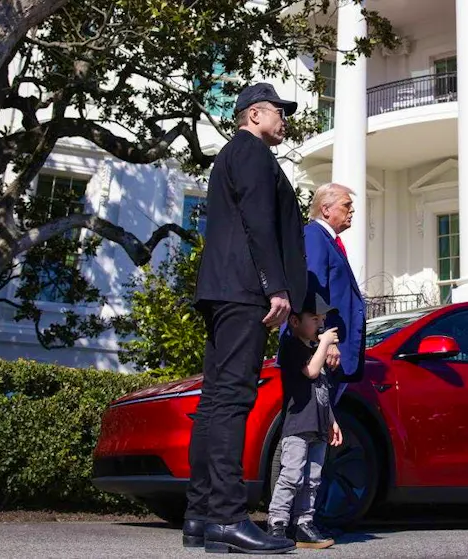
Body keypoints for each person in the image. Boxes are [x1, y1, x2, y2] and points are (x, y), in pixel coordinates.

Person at [182, 82, 308, 554]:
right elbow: (258, 220)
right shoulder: (253, 152)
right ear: (254, 114)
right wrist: (275, 285)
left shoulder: (229, 155)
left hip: (223, 290)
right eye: (279, 111)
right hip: (243, 290)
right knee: (232, 400)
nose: (284, 120)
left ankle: (201, 516)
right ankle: (227, 518)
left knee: (216, 400)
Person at [266, 290, 343, 549]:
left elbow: (322, 390)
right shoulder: (291, 346)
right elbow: (310, 372)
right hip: (298, 425)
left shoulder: (313, 349)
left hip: (318, 425)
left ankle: (304, 523)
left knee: (312, 479)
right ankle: (277, 522)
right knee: (292, 475)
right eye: (315, 318)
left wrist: (332, 420)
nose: (320, 324)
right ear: (295, 321)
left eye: (322, 319)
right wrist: (325, 343)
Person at [305, 183, 367, 403]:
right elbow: (313, 288)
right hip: (321, 353)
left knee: (326, 419)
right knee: (314, 420)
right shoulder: (314, 236)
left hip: (332, 354)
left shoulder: (327, 240)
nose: (352, 210)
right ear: (325, 209)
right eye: (346, 205)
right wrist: (325, 339)